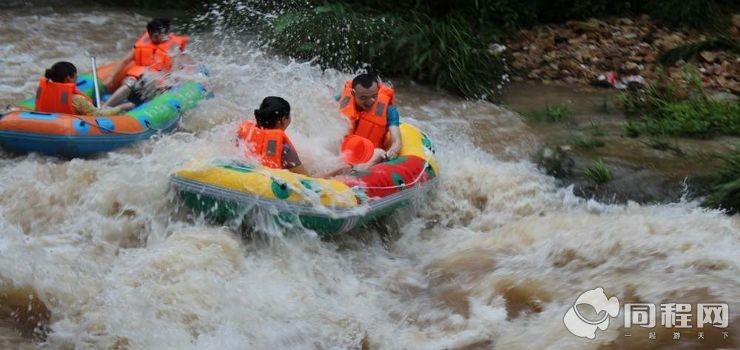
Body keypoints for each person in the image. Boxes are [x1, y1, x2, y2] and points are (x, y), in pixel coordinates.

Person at [103, 18, 190, 108]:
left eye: (156, 35)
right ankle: (105, 107)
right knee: (130, 82)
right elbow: (124, 61)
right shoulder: (143, 44)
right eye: (151, 34)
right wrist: (111, 77)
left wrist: (170, 83)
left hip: (157, 84)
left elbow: (175, 71)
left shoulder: (173, 47)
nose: (153, 37)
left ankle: (134, 107)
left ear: (164, 33)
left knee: (154, 84)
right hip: (137, 82)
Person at [337, 73, 402, 168]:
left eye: (374, 96)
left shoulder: (389, 111)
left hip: (367, 155)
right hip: (341, 150)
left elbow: (397, 141)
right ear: (353, 93)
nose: (370, 101)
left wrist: (391, 152)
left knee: (379, 152)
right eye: (363, 98)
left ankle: (351, 173)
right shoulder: (341, 101)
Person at [35, 61, 134, 115]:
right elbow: (98, 115)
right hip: (70, 128)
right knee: (122, 106)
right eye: (75, 76)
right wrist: (121, 107)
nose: (77, 78)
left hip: (50, 125)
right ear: (69, 78)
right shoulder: (77, 100)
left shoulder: (43, 92)